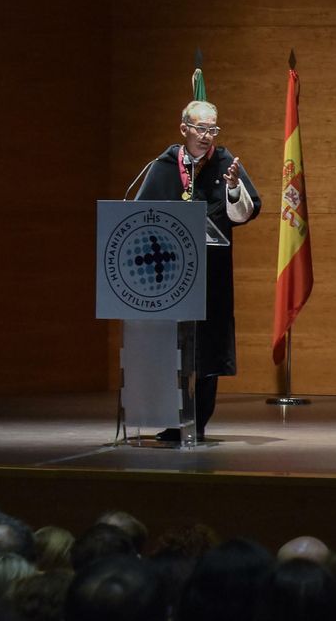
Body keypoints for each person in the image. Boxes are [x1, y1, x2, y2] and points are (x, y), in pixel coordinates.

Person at [134, 96, 260, 441]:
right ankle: (171, 420)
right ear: (184, 129)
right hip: (167, 276)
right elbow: (137, 216)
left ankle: (197, 421)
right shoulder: (162, 166)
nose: (206, 135)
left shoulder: (225, 164)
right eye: (200, 128)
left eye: (212, 129)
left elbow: (244, 214)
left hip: (211, 276)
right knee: (169, 350)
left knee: (205, 351)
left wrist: (234, 188)